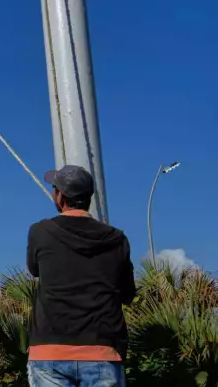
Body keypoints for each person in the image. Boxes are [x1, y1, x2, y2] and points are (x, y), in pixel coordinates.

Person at [26, 165, 136, 387]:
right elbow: (128, 294)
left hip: (50, 352)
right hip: (103, 350)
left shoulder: (40, 232)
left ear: (60, 196)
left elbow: (34, 269)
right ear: (88, 197)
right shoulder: (117, 239)